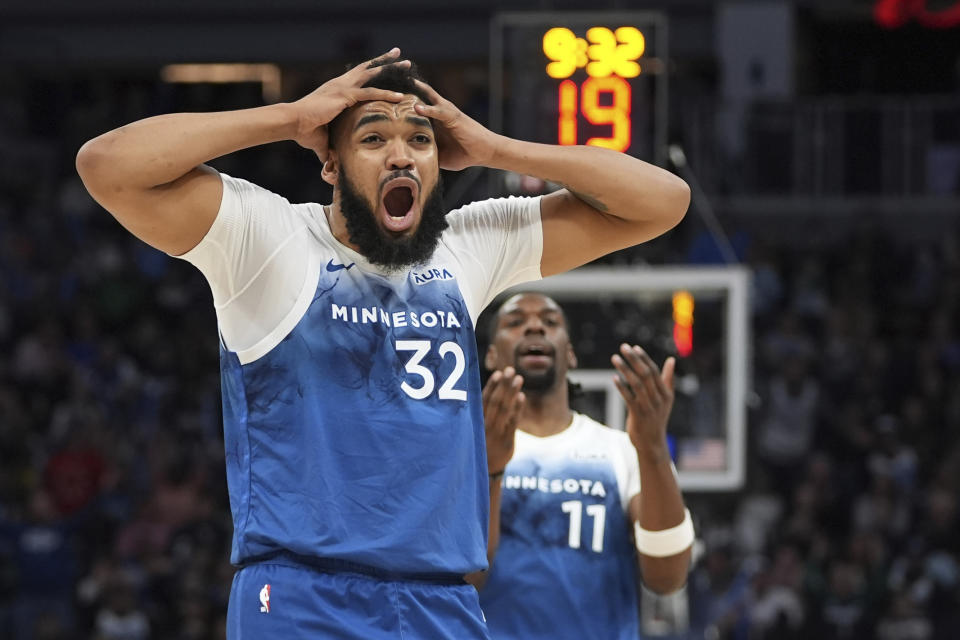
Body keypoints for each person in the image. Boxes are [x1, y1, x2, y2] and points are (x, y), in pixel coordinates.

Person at [75, 48, 690, 639]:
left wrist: (492, 147)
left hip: (442, 600)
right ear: (331, 164)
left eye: (419, 140)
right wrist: (290, 117)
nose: (402, 156)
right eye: (373, 139)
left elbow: (663, 203)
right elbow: (107, 165)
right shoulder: (267, 238)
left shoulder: (467, 246)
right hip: (303, 596)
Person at [476, 292, 693, 640]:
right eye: (516, 322)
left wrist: (652, 448)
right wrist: (489, 471)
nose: (535, 326)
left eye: (550, 322)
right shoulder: (464, 450)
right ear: (490, 355)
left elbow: (667, 578)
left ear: (571, 353)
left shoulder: (621, 450)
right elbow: (463, 579)